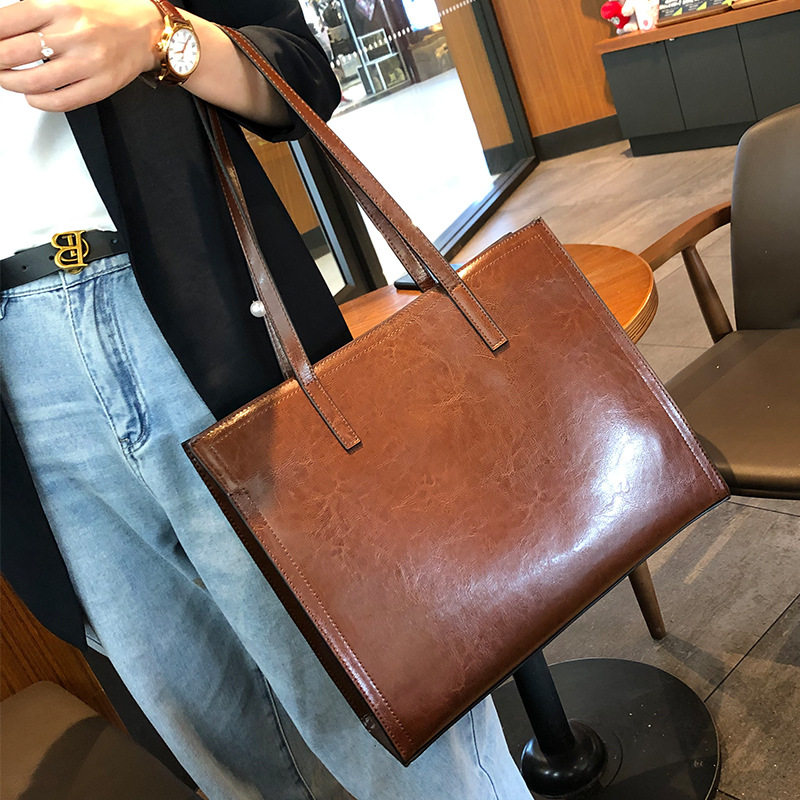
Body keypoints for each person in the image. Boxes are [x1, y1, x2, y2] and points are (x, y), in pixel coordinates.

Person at [0, 1, 532, 798]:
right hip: (20, 377)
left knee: (382, 686)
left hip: (202, 297)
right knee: (217, 738)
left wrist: (160, 37)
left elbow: (302, 72)